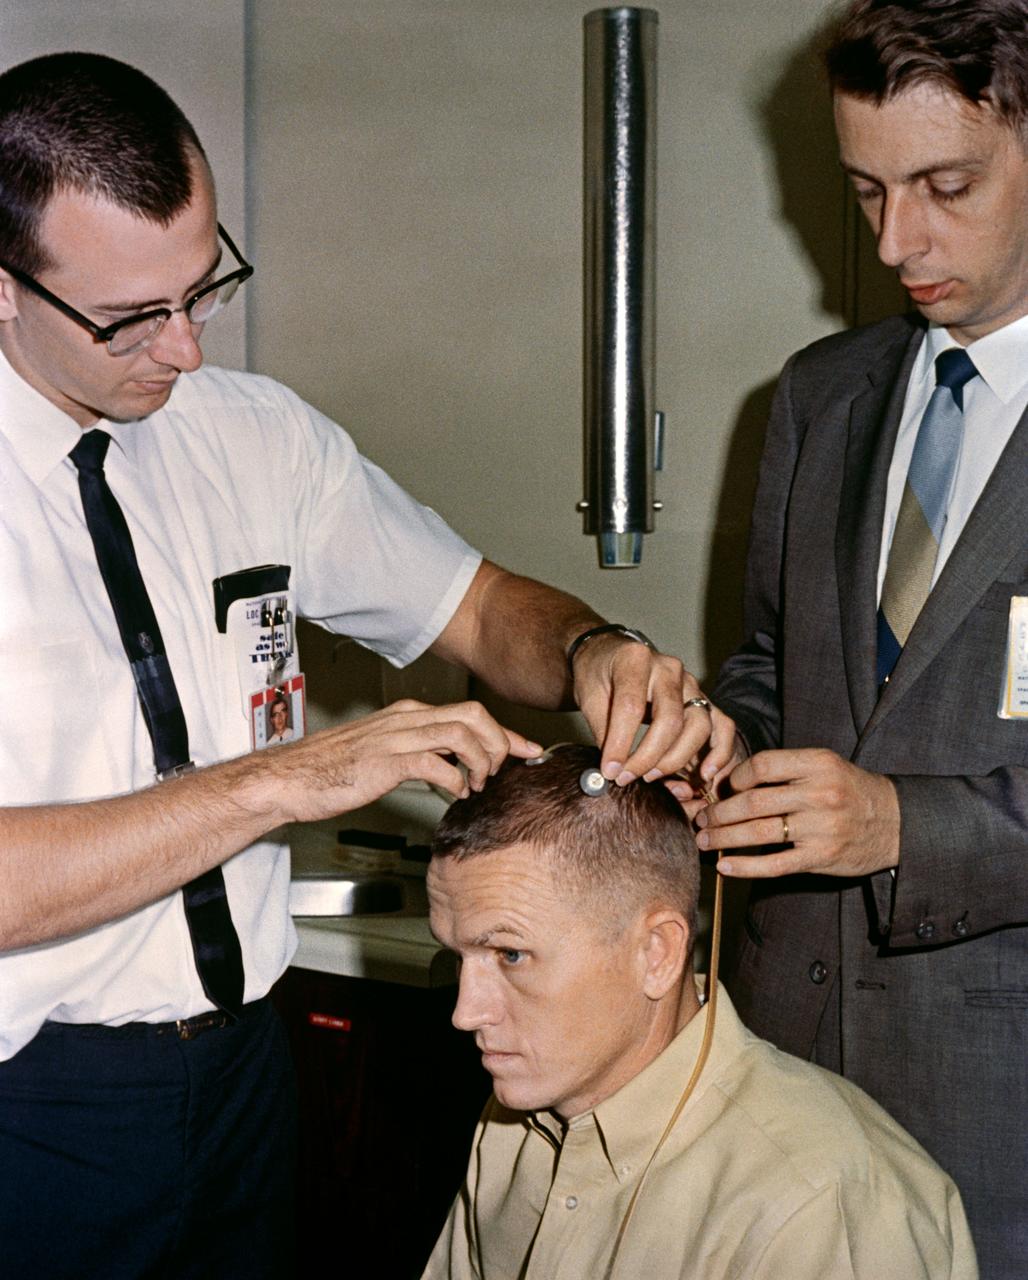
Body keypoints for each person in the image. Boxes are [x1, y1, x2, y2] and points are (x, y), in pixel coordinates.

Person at [0, 52, 723, 1279]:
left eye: (205, 284)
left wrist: (593, 649)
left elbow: (482, 607)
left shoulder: (254, 436)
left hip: (244, 1077)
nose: (182, 349)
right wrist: (281, 779)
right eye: (130, 317)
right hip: (37, 1103)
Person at [671, 3, 1028, 1274]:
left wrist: (897, 826)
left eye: (945, 186)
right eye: (865, 189)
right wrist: (716, 743)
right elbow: (773, 666)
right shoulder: (818, 396)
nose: (896, 241)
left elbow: (890, 795)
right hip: (786, 1085)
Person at [423, 745, 978, 1279]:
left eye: (511, 954)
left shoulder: (815, 1205)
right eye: (458, 955)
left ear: (656, 953)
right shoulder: (515, 1120)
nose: (465, 1014)